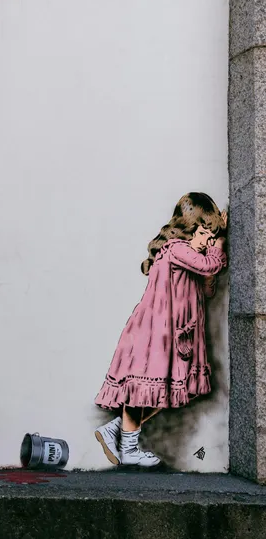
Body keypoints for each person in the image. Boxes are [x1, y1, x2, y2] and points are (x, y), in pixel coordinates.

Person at [94, 193, 227, 467]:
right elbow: (208, 264)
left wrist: (210, 259)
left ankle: (116, 429)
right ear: (187, 227)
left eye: (210, 236)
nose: (205, 241)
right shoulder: (176, 248)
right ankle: (129, 449)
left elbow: (207, 287)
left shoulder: (192, 254)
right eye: (203, 233)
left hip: (175, 335)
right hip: (156, 333)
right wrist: (219, 245)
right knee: (142, 390)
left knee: (163, 392)